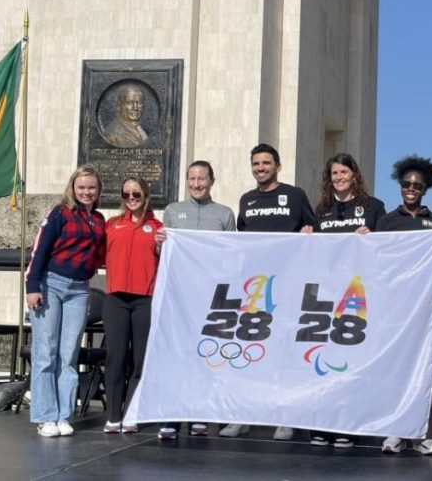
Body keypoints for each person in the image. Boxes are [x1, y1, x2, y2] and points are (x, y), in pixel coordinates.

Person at [226, 143, 314, 441]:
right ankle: (243, 415)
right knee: (251, 349)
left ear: (277, 165)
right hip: (254, 287)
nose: (260, 168)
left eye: (266, 163)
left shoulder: (295, 195)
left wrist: (307, 233)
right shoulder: (246, 200)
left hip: (288, 285)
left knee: (284, 351)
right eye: (256, 164)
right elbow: (241, 241)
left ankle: (284, 417)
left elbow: (312, 232)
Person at [309, 152, 385, 449]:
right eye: (334, 174)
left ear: (355, 174)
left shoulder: (373, 207)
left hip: (359, 297)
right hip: (328, 296)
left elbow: (386, 247)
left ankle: (348, 424)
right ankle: (323, 423)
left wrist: (373, 237)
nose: (339, 178)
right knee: (324, 360)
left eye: (343, 172)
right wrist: (306, 234)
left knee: (351, 361)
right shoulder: (322, 209)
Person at [155, 160, 236, 440]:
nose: (197, 184)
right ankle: (173, 417)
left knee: (205, 355)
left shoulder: (225, 214)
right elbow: (162, 251)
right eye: (192, 179)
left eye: (202, 179)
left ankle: (199, 415)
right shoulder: (173, 211)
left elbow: (232, 253)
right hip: (179, 296)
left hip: (210, 298)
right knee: (177, 356)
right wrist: (159, 242)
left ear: (212, 181)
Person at [25, 164, 107, 438]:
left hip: (79, 290)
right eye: (81, 187)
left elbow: (100, 253)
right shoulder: (60, 213)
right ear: (73, 188)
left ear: (98, 191)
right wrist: (32, 286)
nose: (86, 192)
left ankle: (63, 415)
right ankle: (45, 416)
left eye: (91, 187)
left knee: (69, 355)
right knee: (45, 353)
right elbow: (40, 250)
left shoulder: (99, 219)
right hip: (51, 285)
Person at [376, 155, 432, 456]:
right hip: (395, 307)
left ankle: (427, 435)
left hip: (426, 309)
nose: (411, 189)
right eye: (406, 184)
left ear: (425, 188)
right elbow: (376, 263)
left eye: (417, 185)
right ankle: (395, 431)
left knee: (426, 372)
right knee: (395, 370)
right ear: (400, 186)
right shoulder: (387, 221)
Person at [102, 176, 163, 435]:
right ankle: (113, 415)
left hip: (144, 300)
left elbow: (167, 258)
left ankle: (131, 414)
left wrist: (162, 247)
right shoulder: (112, 225)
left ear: (145, 195)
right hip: (115, 299)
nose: (131, 199)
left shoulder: (159, 228)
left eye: (136, 194)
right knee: (116, 357)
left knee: (140, 360)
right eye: (126, 194)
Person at [102, 83, 149, 148]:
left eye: (139, 103)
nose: (135, 108)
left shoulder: (141, 130)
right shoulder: (112, 134)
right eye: (129, 102)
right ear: (119, 106)